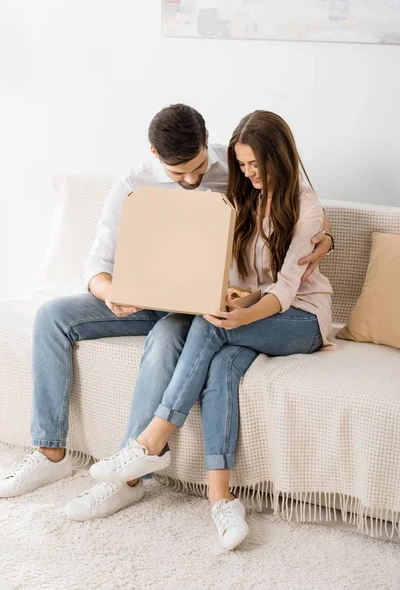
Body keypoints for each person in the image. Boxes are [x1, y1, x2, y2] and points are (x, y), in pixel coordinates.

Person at [0, 105, 334, 550]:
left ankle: (138, 461)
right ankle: (49, 451)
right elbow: (97, 266)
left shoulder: (235, 169)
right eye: (179, 173)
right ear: (155, 154)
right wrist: (112, 292)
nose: (193, 180)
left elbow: (297, 205)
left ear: (206, 145)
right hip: (147, 298)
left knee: (178, 338)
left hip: (208, 309)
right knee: (52, 316)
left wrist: (325, 237)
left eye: (198, 169)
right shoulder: (135, 185)